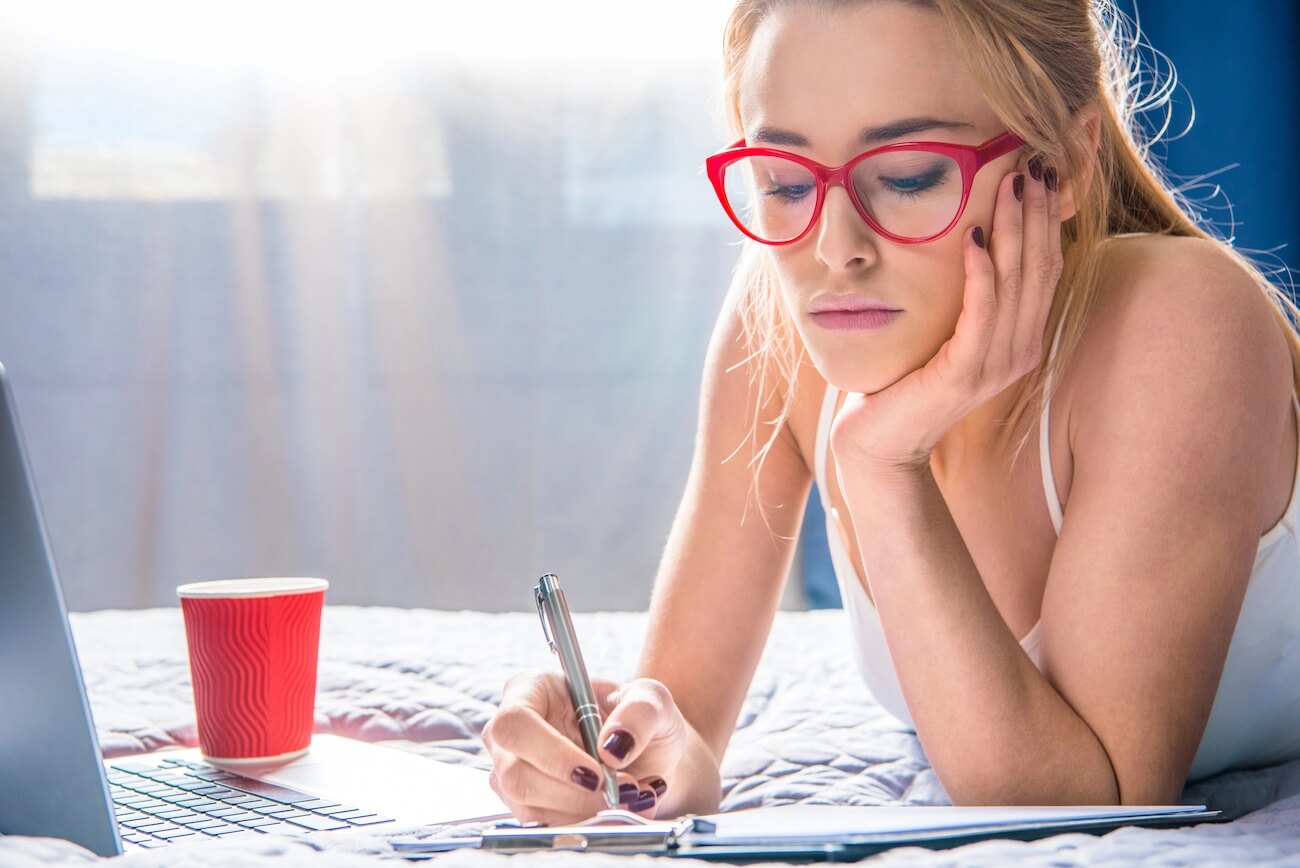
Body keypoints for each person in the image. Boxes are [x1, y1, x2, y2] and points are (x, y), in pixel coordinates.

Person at [482, 0, 1300, 823]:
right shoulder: (777, 315)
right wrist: (614, 755)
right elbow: (677, 725)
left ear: (1067, 163)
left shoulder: (1181, 322)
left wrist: (880, 464)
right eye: (784, 181)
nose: (835, 249)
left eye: (908, 176)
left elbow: (1093, 803)